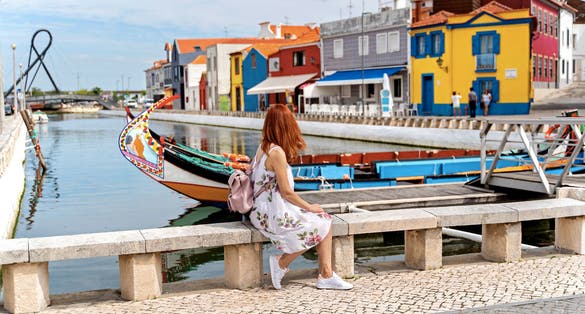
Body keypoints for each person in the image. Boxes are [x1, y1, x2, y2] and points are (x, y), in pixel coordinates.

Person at [249, 104, 353, 291]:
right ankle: (282, 263)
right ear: (286, 125)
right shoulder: (277, 153)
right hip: (272, 214)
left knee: (324, 221)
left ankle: (326, 275)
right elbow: (287, 192)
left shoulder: (263, 147)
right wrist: (309, 206)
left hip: (261, 210)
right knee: (322, 222)